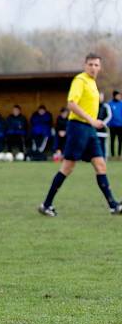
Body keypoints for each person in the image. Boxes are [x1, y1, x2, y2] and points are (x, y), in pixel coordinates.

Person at [39, 53, 122, 217]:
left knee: (100, 165)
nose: (93, 68)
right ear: (85, 65)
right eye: (90, 64)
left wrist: (93, 122)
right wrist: (92, 120)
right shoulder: (80, 80)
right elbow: (71, 104)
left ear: (100, 67)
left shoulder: (92, 83)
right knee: (67, 167)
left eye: (96, 65)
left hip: (89, 130)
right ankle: (46, 205)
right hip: (78, 128)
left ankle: (113, 205)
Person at [97, 93, 112, 158]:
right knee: (96, 144)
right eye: (99, 96)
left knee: (103, 143)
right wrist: (95, 123)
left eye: (101, 97)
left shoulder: (106, 106)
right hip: (95, 128)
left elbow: (109, 115)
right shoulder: (94, 105)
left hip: (103, 128)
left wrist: (103, 123)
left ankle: (104, 156)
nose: (100, 98)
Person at [108, 90, 122, 158]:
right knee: (112, 140)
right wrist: (108, 123)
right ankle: (112, 155)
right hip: (112, 126)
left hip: (120, 126)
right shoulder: (109, 104)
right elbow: (107, 114)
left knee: (120, 140)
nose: (119, 97)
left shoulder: (121, 103)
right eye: (118, 95)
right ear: (114, 96)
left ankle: (119, 155)